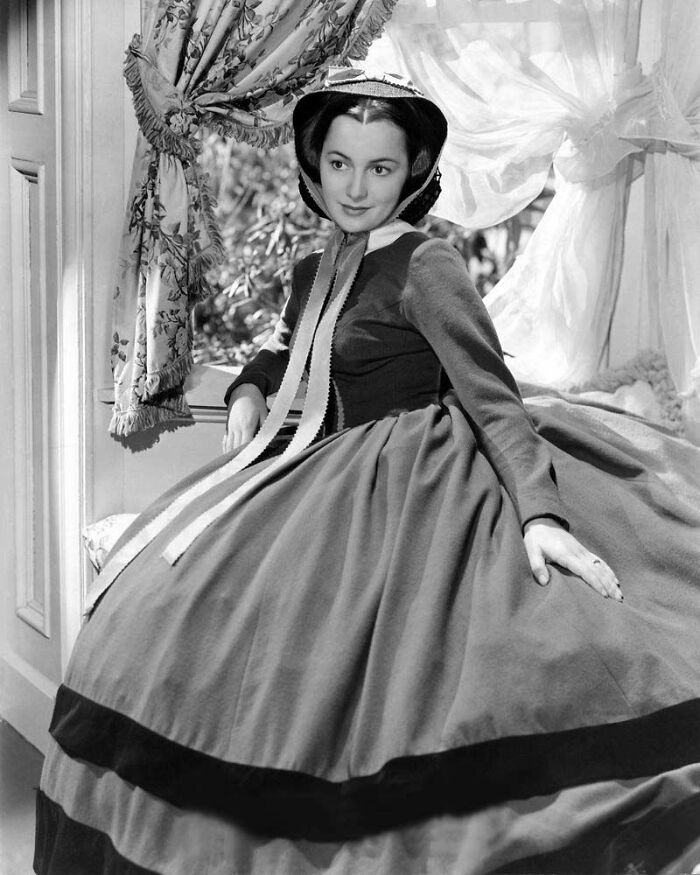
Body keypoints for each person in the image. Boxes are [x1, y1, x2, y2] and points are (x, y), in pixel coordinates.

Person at [35, 68, 700, 875]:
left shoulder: (430, 264)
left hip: (416, 470)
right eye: (341, 163)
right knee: (174, 607)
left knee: (399, 671)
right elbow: (291, 347)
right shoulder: (318, 265)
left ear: (412, 173)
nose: (356, 187)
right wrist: (250, 386)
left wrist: (541, 515)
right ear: (315, 164)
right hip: (321, 462)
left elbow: (492, 398)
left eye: (380, 168)